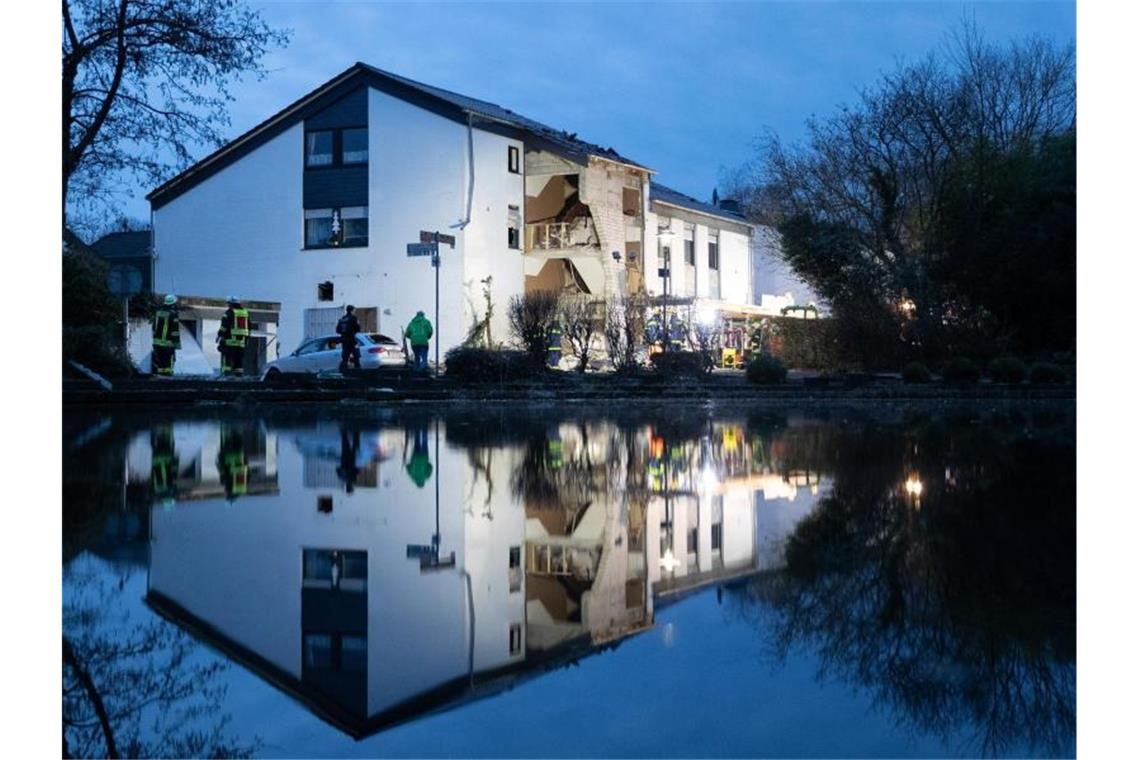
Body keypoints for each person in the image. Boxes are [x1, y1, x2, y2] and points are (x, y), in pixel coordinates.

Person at [217, 296, 250, 376]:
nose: (228, 305)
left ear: (231, 303)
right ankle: (239, 378)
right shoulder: (245, 313)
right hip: (240, 343)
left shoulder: (229, 312)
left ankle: (226, 376)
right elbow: (249, 327)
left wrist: (219, 335)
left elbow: (224, 326)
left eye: (228, 303)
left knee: (227, 360)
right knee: (238, 361)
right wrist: (247, 339)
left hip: (229, 341)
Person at [151, 294, 181, 376]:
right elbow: (175, 331)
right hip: (168, 343)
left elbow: (154, 327)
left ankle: (161, 377)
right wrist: (177, 344)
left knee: (160, 362)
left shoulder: (158, 312)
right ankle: (168, 376)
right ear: (173, 303)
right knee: (168, 362)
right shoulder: (173, 314)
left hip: (157, 343)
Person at [336, 304, 362, 373]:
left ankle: (343, 372)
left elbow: (337, 330)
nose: (354, 312)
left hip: (344, 341)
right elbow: (358, 328)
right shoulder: (354, 318)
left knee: (345, 358)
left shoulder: (342, 319)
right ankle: (358, 372)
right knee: (356, 357)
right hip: (352, 340)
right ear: (351, 311)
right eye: (354, 310)